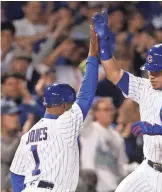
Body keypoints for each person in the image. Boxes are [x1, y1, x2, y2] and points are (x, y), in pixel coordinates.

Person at [92, 11, 162, 192]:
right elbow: (114, 74)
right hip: (148, 169)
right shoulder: (145, 87)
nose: (151, 75)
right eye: (150, 70)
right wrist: (104, 41)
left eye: (156, 71)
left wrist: (157, 129)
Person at [10, 25, 99, 192]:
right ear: (65, 105)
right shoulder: (65, 123)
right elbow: (87, 94)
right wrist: (93, 56)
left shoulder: (28, 135)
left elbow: (16, 175)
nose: (72, 108)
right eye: (71, 104)